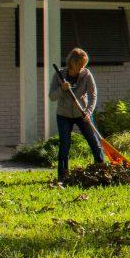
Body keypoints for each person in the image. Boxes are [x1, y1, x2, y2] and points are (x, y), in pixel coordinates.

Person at [48, 47, 105, 181]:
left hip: (83, 114)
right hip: (64, 115)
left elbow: (93, 95)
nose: (82, 67)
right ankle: (63, 176)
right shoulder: (59, 75)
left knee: (94, 142)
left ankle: (102, 170)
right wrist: (62, 89)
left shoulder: (86, 74)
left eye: (84, 64)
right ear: (71, 63)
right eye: (79, 64)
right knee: (64, 146)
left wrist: (89, 111)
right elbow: (51, 96)